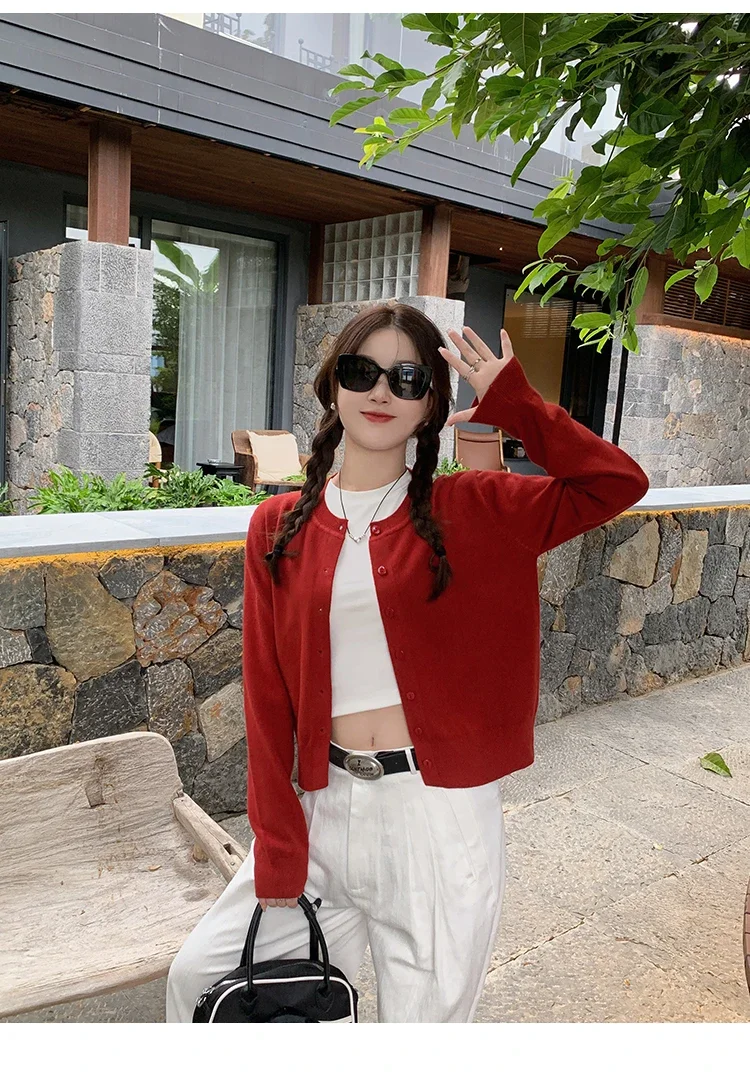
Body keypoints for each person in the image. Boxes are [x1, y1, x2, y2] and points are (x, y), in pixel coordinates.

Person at [166, 302, 649, 1023]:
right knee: (199, 977)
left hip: (435, 820)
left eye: (407, 377)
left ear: (430, 406)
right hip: (324, 810)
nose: (381, 391)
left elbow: (615, 483)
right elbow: (266, 700)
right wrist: (278, 841)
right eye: (362, 371)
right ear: (333, 386)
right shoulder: (277, 526)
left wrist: (515, 402)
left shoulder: (477, 508)